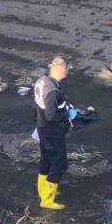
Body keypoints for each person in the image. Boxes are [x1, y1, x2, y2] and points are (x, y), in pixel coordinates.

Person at [33, 56, 78, 210]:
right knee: (60, 165)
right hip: (53, 132)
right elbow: (51, 116)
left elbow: (37, 107)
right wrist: (69, 114)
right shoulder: (52, 90)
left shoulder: (42, 81)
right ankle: (47, 200)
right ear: (61, 69)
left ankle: (43, 191)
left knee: (46, 160)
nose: (68, 72)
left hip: (42, 128)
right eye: (68, 69)